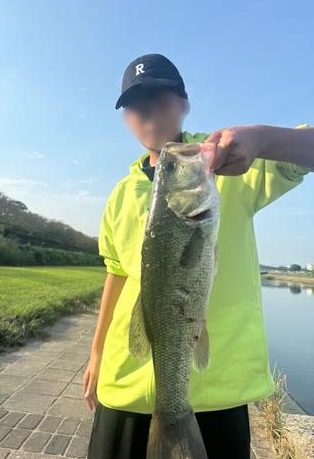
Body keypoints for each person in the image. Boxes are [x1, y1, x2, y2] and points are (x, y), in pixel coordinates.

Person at [83, 53, 314, 459]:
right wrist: (97, 354)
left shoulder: (229, 162)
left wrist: (260, 138)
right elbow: (116, 275)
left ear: (184, 102)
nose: (148, 111)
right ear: (125, 118)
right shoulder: (120, 194)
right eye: (135, 105)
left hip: (215, 393)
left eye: (159, 96)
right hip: (123, 386)